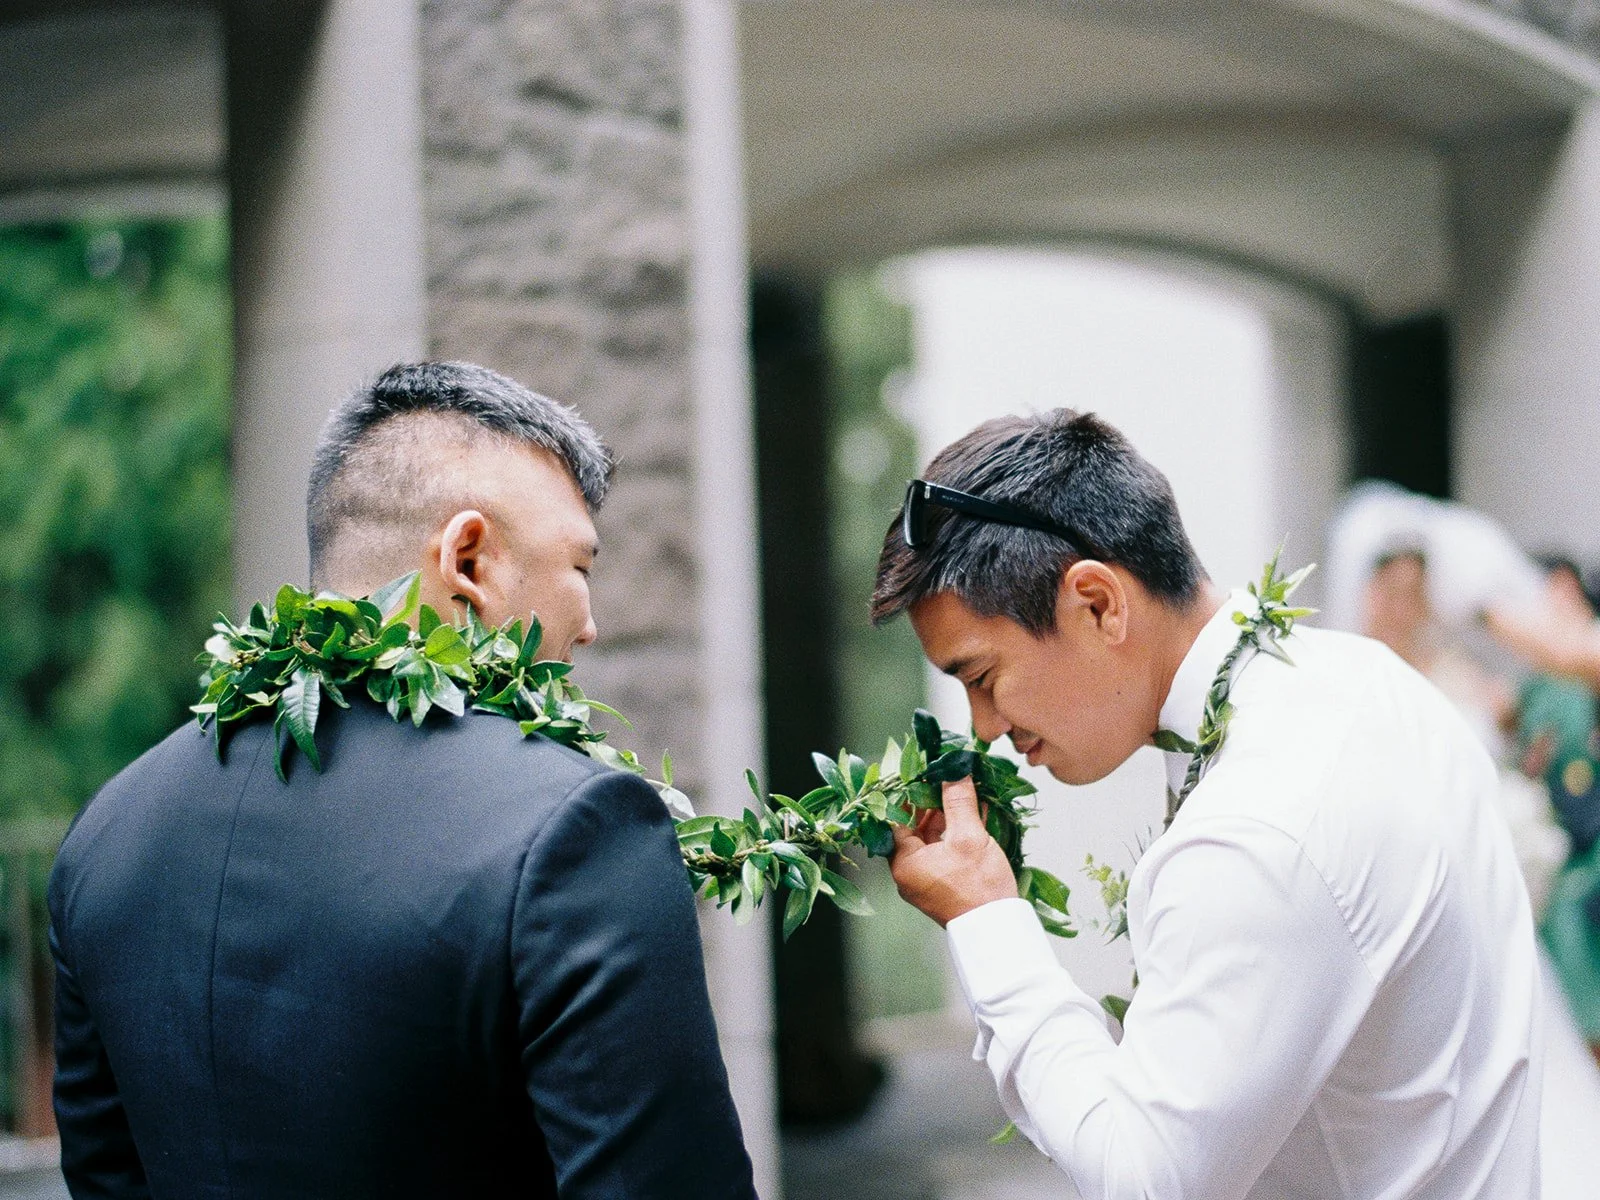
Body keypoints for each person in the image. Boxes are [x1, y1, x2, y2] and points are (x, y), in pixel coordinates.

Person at [47, 362, 756, 1198]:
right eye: (581, 567)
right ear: (467, 559)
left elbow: (103, 1180)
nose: (590, 626)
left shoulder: (108, 833)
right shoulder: (576, 832)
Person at [875, 410, 1541, 1198]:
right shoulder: (1369, 681)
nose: (982, 730)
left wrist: (986, 920)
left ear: (1097, 603)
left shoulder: (1255, 830)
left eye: (981, 677)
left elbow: (1144, 1179)